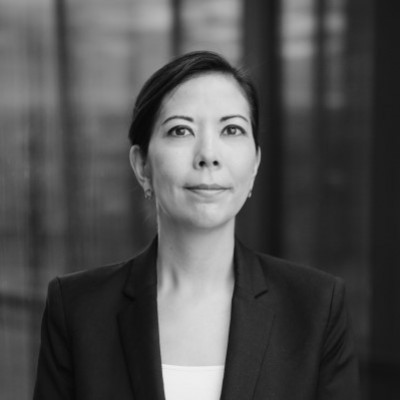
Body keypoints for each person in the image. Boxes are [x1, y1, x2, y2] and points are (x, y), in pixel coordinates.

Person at [33, 51, 359, 400]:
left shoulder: (315, 308)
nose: (208, 155)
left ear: (255, 164)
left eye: (231, 129)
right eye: (180, 130)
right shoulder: (78, 309)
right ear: (142, 166)